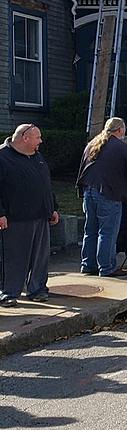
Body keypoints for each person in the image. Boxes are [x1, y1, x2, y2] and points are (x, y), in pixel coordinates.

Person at [0, 124, 59, 306]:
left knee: (40, 257)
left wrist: (53, 208)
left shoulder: (37, 156)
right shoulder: (3, 157)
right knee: (15, 257)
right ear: (25, 138)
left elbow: (45, 184)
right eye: (37, 137)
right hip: (15, 217)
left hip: (41, 215)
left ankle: (38, 289)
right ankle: (9, 292)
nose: (40, 141)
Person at [77, 117, 127, 277]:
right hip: (109, 192)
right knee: (107, 231)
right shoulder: (122, 147)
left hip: (89, 190)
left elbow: (82, 167)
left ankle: (88, 264)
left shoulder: (92, 145)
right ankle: (106, 267)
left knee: (90, 230)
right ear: (120, 130)